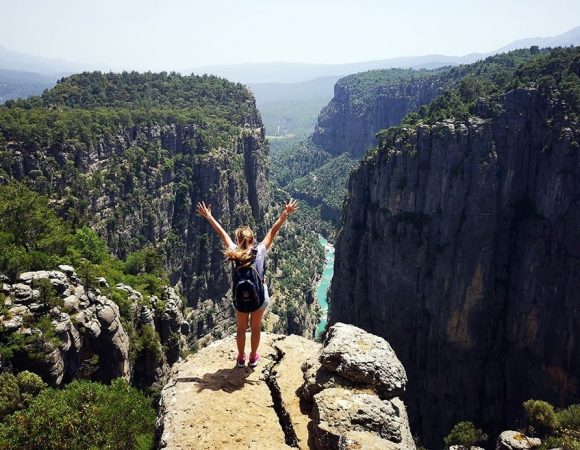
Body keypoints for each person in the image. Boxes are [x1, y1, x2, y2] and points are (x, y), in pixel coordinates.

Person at [196, 199, 299, 368]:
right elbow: (273, 231)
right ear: (253, 240)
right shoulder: (259, 251)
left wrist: (209, 216)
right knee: (255, 327)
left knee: (241, 328)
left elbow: (222, 234)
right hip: (258, 298)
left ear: (238, 239)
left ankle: (241, 359)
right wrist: (285, 213)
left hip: (240, 298)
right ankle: (253, 358)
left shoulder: (234, 251)